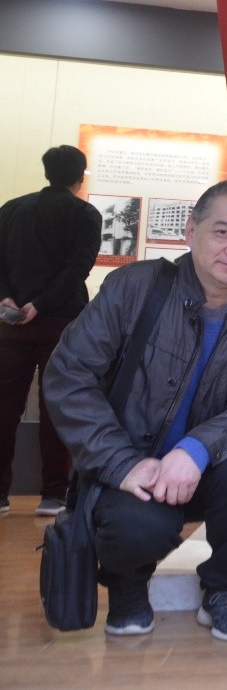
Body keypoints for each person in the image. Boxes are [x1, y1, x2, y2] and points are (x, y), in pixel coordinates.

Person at [43, 180, 227, 640]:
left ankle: (224, 589)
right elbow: (68, 376)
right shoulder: (134, 288)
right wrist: (121, 463)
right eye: (222, 232)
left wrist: (197, 448)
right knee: (137, 526)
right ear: (190, 230)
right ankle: (127, 585)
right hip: (131, 463)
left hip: (210, 466)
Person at [0, 145, 102, 517]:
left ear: (47, 172)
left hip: (11, 322)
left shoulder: (11, 208)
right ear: (80, 177)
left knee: (4, 407)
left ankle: (0, 495)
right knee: (57, 407)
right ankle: (54, 495)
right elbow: (78, 268)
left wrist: (7, 298)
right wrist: (41, 304)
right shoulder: (85, 214)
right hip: (61, 323)